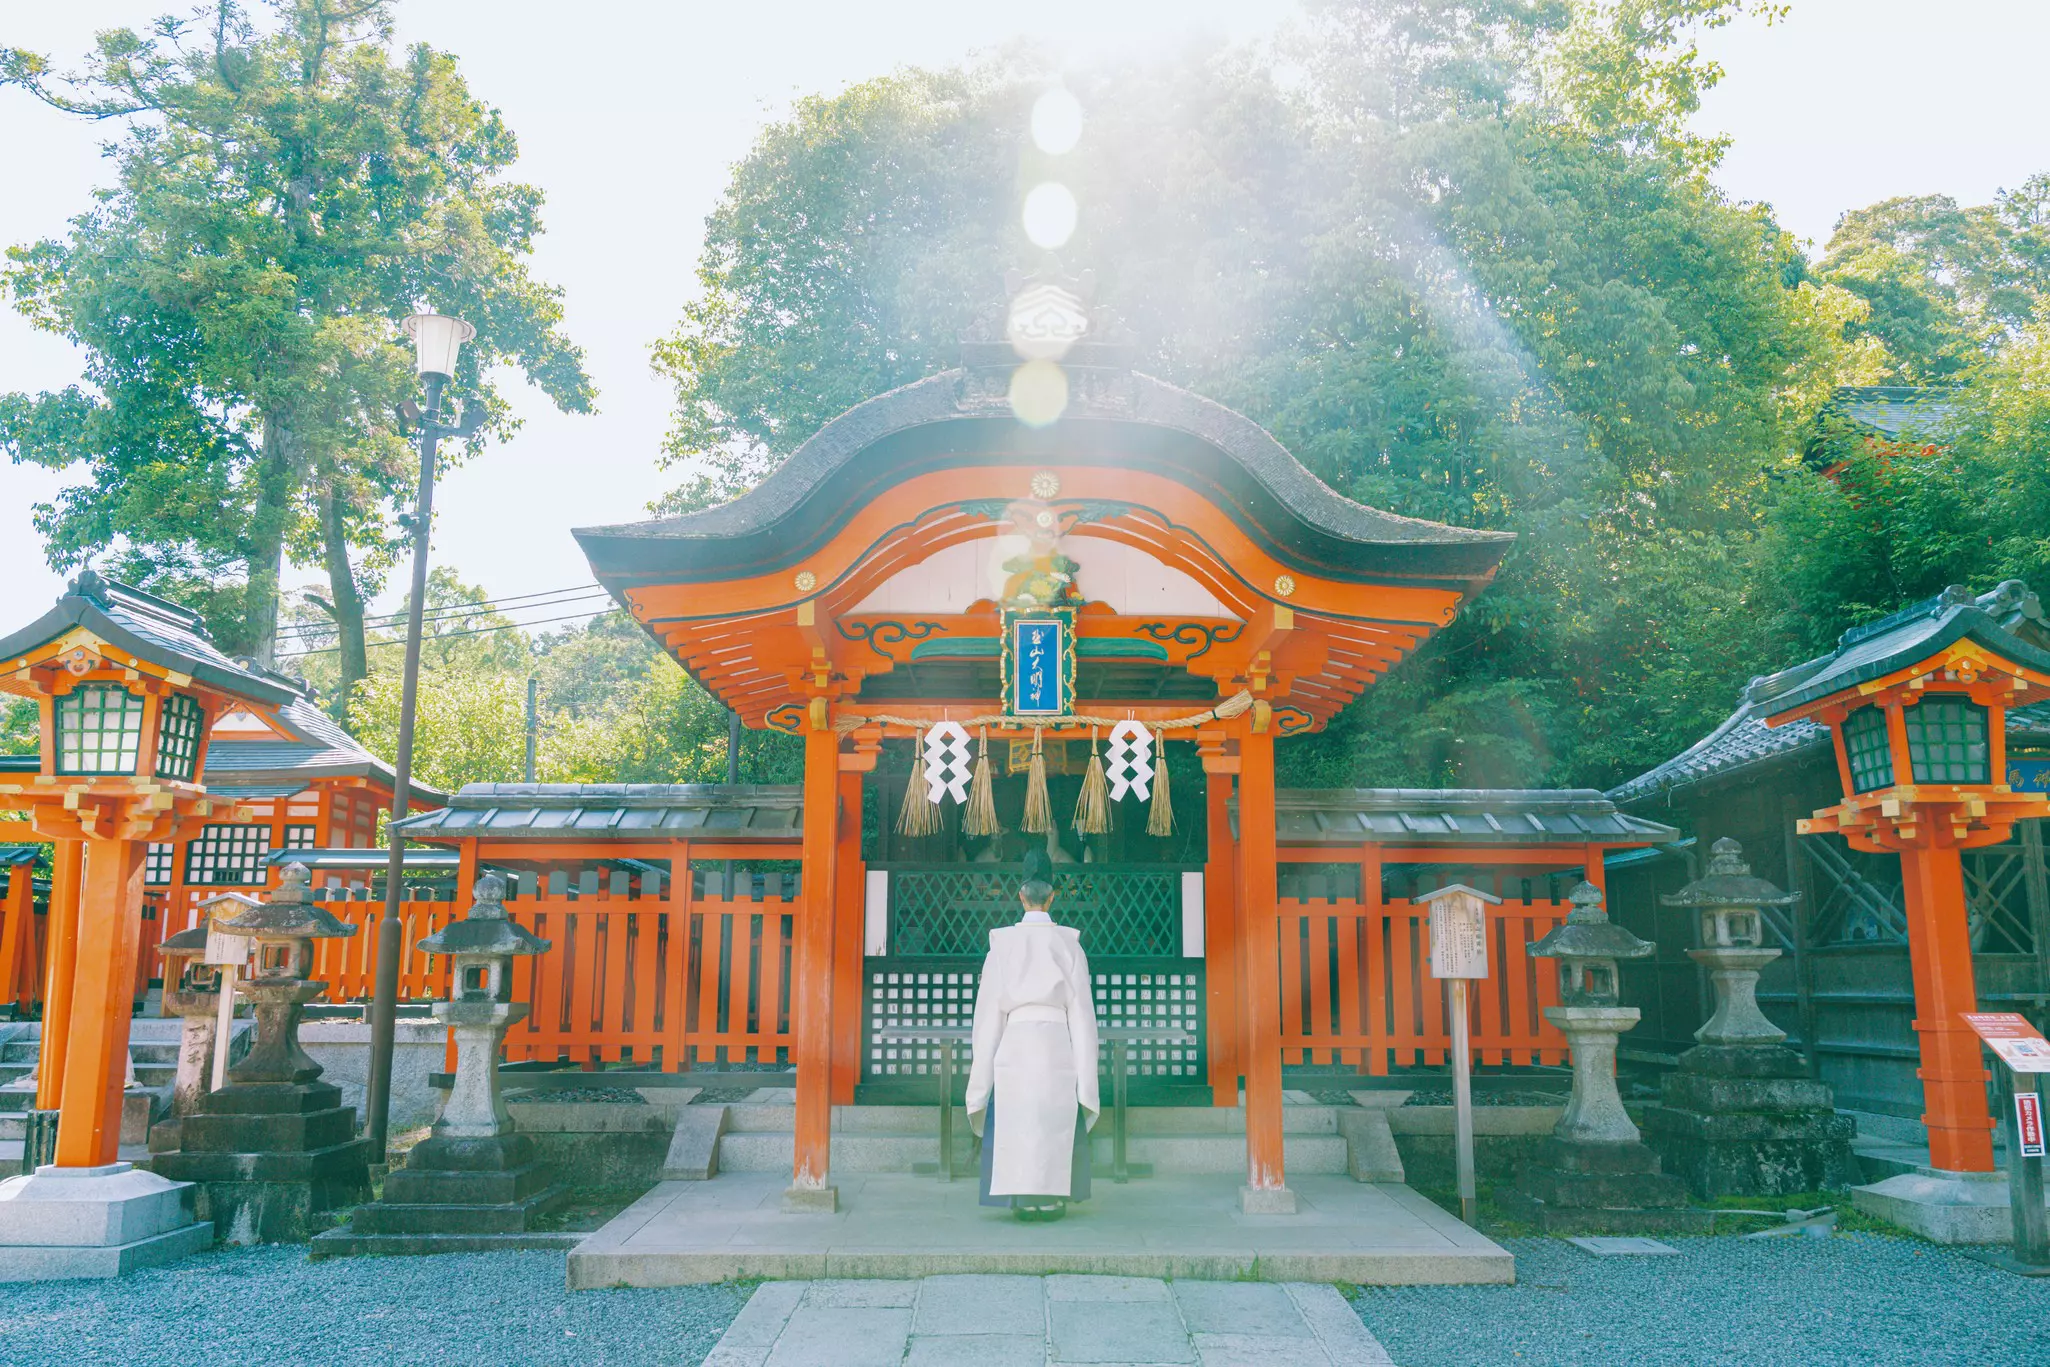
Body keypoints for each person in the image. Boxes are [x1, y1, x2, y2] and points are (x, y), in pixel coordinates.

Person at [964, 848, 1100, 1221]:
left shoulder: (1002, 945)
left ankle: (1021, 1197)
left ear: (1020, 896)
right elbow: (1084, 1016)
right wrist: (1087, 1077)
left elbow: (988, 1015)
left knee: (1018, 1120)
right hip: (1057, 1043)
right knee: (1052, 1118)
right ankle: (1053, 1199)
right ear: (1053, 895)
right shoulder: (1070, 945)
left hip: (1015, 1042)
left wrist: (980, 1081)